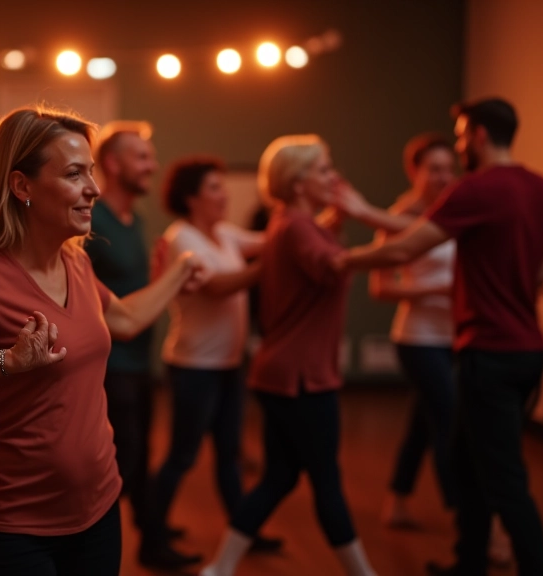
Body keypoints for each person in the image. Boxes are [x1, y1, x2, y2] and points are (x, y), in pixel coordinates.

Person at [0, 105, 204, 576]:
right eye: (73, 174)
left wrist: (179, 271)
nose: (93, 189)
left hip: (99, 508)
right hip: (13, 528)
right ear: (21, 186)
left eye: (91, 171)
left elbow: (124, 319)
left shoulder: (77, 264)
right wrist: (7, 360)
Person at [335, 98, 543, 576]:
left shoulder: (476, 189)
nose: (459, 148)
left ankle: (537, 568)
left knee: (503, 476)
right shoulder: (542, 188)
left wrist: (341, 261)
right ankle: (469, 561)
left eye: (460, 137)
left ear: (478, 135)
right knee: (463, 456)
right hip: (529, 350)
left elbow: (406, 246)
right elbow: (539, 273)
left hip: (490, 352)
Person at [200, 135, 378, 576]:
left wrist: (336, 222)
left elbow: (316, 253)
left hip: (281, 372)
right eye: (322, 169)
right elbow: (333, 264)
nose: (333, 177)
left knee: (279, 478)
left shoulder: (289, 222)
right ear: (298, 183)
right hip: (302, 378)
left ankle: (220, 568)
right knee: (327, 482)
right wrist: (384, 236)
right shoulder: (297, 227)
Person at [141, 156, 282, 567]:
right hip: (193, 366)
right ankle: (152, 540)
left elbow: (273, 239)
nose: (224, 195)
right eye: (215, 188)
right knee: (182, 456)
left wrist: (317, 215)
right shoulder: (182, 238)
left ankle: (244, 530)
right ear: (192, 198)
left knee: (229, 454)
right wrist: (269, 265)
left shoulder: (224, 234)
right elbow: (218, 287)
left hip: (227, 364)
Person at [367, 134, 458, 528]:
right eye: (435, 169)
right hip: (418, 338)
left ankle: (397, 501)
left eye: (449, 168)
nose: (444, 177)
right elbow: (381, 287)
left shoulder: (456, 210)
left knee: (424, 420)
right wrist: (437, 289)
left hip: (457, 336)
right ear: (414, 172)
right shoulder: (397, 217)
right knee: (449, 422)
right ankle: (467, 521)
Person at [83, 121, 160, 563]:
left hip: (141, 361)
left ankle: (152, 539)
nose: (151, 165)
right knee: (119, 464)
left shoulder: (135, 220)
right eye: (141, 157)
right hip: (110, 365)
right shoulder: (93, 221)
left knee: (139, 455)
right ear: (112, 164)